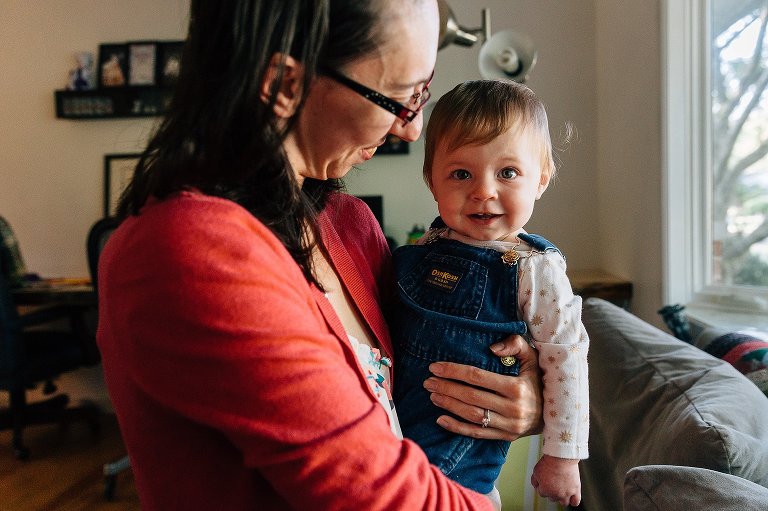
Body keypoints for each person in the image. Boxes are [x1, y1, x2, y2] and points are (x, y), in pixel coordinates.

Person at [95, 2, 545, 510]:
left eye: (422, 93)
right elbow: (377, 496)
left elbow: (425, 367)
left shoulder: (348, 225)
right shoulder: (189, 253)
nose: (411, 129)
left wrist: (522, 396)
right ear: (284, 84)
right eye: (399, 96)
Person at [390, 80, 589, 508]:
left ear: (542, 178)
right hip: (398, 438)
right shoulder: (423, 251)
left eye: (508, 172)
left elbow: (566, 358)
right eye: (461, 173)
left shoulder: (535, 269)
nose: (483, 191)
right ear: (431, 179)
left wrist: (562, 456)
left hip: (463, 465)